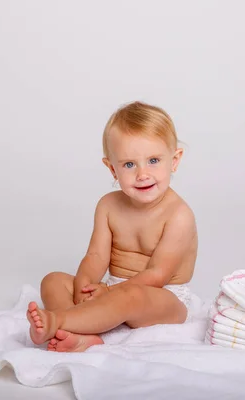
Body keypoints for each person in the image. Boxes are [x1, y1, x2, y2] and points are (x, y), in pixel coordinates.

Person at [26, 101, 198, 352]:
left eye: (153, 160)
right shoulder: (108, 206)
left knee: (131, 297)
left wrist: (109, 291)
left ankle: (59, 321)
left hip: (163, 297)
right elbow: (96, 256)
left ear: (174, 160)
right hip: (113, 287)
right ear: (112, 169)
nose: (142, 174)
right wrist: (83, 285)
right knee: (53, 281)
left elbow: (158, 275)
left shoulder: (179, 215)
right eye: (129, 164)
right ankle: (81, 334)